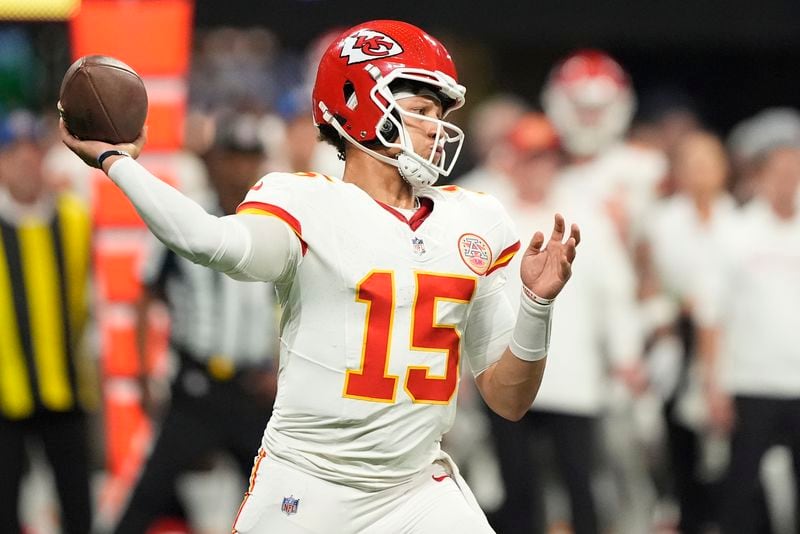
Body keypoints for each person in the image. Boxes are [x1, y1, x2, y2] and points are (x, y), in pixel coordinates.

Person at [60, 20, 580, 534]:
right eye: (421, 111)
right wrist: (115, 162)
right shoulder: (306, 202)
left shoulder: (475, 219)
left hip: (415, 488)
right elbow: (208, 241)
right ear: (358, 106)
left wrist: (536, 305)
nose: (436, 129)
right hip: (310, 483)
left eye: (438, 114)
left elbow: (508, 400)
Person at [474, 113, 644, 534]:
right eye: (529, 158)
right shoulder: (486, 209)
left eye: (545, 159)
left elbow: (616, 290)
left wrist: (626, 354)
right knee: (516, 484)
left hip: (573, 374)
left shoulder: (585, 212)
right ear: (510, 160)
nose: (538, 169)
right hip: (503, 369)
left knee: (579, 482)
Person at [112, 112, 279, 534]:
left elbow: (292, 305)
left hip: (251, 388)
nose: (241, 167)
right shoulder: (187, 216)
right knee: (144, 501)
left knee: (279, 503)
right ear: (214, 160)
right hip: (196, 387)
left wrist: (282, 369)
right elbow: (146, 291)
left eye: (250, 157)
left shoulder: (274, 223)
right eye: (233, 156)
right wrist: (145, 371)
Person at [0, 110, 95, 534]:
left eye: (32, 151)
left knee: (78, 505)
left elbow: (94, 303)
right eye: (13, 152)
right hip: (5, 394)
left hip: (66, 388)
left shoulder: (73, 218)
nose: (25, 161)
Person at [698, 143, 800, 534]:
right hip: (751, 381)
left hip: (797, 382)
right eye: (779, 174)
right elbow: (711, 313)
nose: (787, 183)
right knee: (741, 485)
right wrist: (713, 385)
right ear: (760, 178)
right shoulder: (736, 233)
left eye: (794, 174)